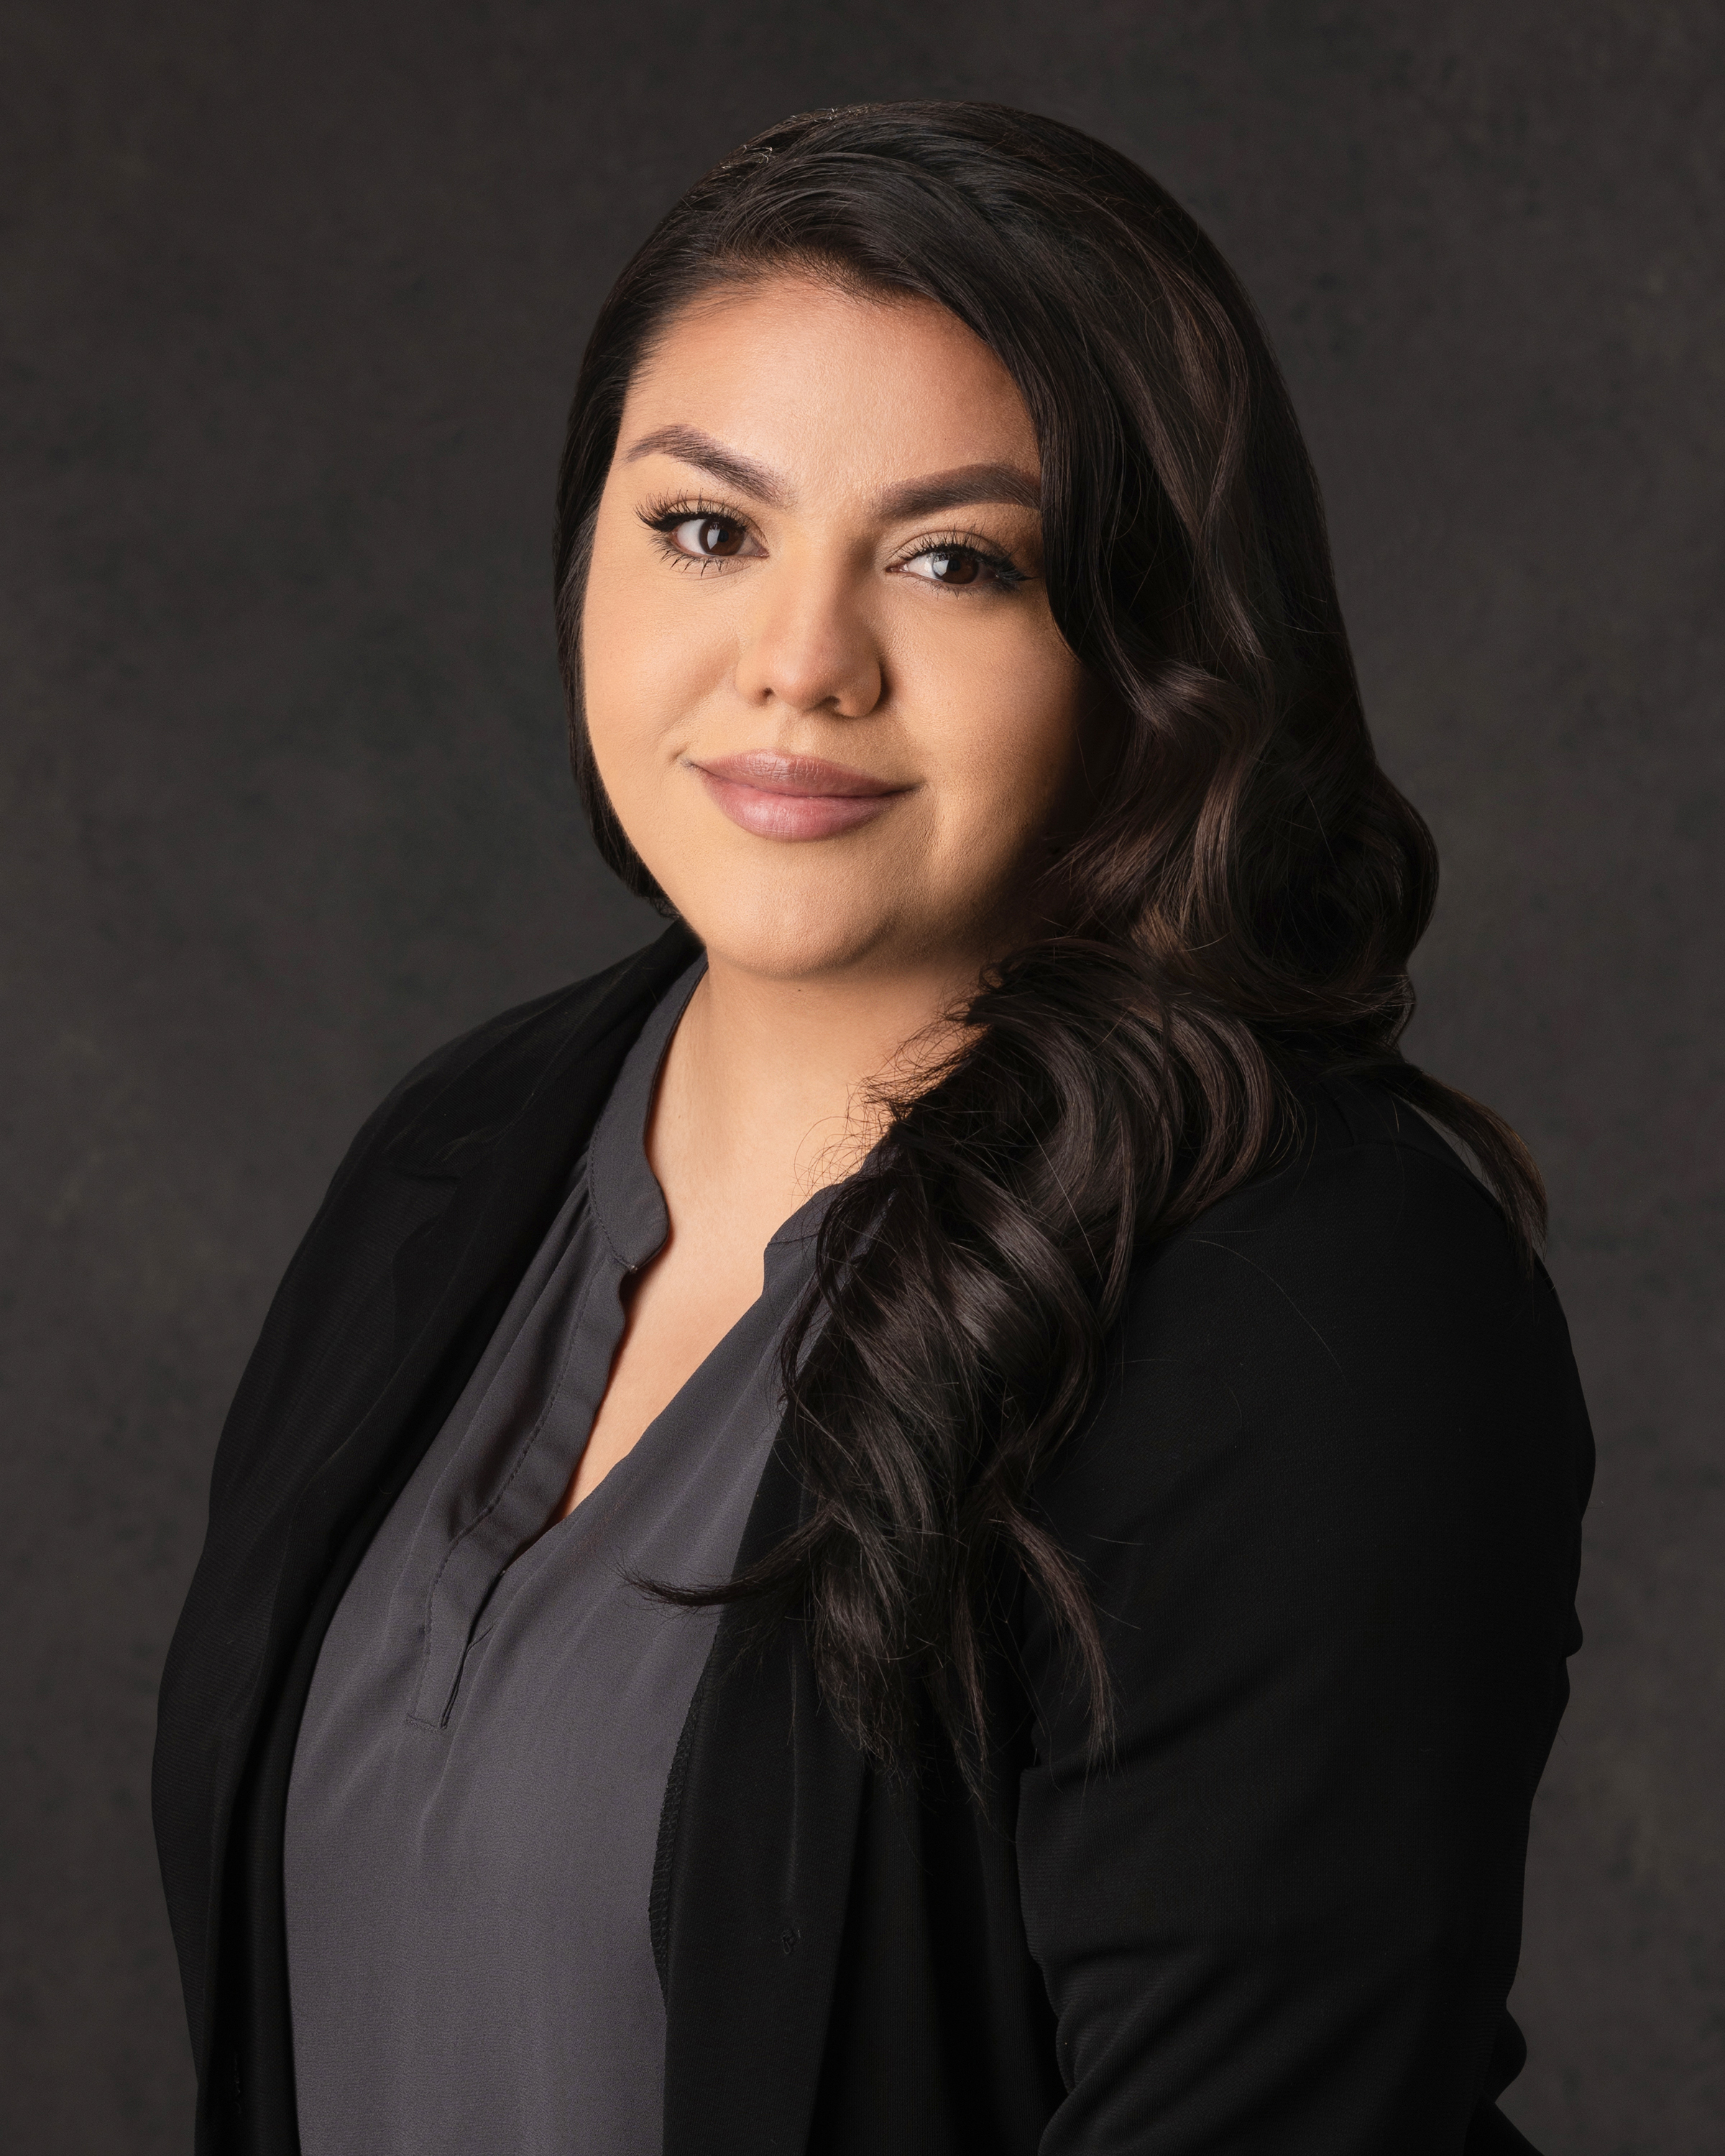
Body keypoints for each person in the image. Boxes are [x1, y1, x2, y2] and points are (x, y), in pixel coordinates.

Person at [152, 102, 1593, 2156]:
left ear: (1150, 652)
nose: (801, 666)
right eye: (706, 529)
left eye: (953, 561)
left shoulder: (1318, 1307)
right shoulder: (454, 1158)